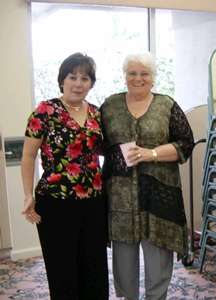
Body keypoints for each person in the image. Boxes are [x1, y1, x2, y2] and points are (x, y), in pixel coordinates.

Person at [101, 52, 194, 300]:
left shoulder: (167, 105)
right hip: (120, 198)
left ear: (153, 78)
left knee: (158, 263)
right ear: (124, 76)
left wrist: (149, 153)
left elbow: (186, 144)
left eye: (144, 73)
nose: (138, 78)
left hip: (159, 198)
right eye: (132, 73)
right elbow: (98, 143)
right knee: (123, 264)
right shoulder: (109, 105)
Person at [21, 53, 109, 300]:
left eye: (85, 78)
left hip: (93, 201)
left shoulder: (96, 113)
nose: (78, 83)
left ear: (91, 83)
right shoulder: (45, 111)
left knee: (95, 269)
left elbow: (104, 150)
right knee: (63, 272)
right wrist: (28, 194)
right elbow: (28, 156)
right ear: (62, 80)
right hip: (55, 202)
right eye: (73, 77)